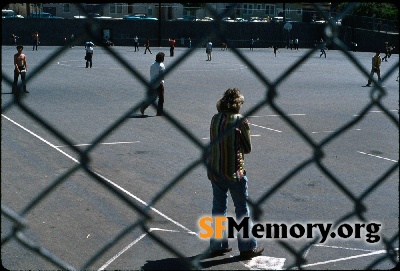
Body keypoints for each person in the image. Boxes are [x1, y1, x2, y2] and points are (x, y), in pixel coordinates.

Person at [207, 88, 264, 259]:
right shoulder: (240, 121)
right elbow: (247, 148)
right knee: (242, 209)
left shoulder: (215, 118)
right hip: (234, 172)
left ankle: (217, 245)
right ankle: (247, 247)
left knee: (218, 207)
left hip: (216, 169)